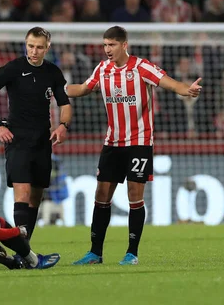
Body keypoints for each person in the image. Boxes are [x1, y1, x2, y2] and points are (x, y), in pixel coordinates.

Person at [68, 26, 202, 265]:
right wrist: (58, 89)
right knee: (101, 195)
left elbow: (169, 83)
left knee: (134, 195)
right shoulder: (102, 69)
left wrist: (187, 90)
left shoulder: (141, 67)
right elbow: (82, 89)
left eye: (112, 45)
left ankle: (132, 253)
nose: (108, 50)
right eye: (105, 45)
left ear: (124, 44)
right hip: (112, 141)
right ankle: (95, 253)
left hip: (139, 141)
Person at [0, 27, 72, 242]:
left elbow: (65, 104)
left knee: (36, 197)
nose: (34, 51)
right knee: (23, 193)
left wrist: (63, 125)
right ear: (25, 45)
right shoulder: (13, 68)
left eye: (39, 47)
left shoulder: (53, 73)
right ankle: (24, 251)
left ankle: (25, 247)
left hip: (42, 139)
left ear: (47, 48)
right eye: (30, 46)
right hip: (16, 138)